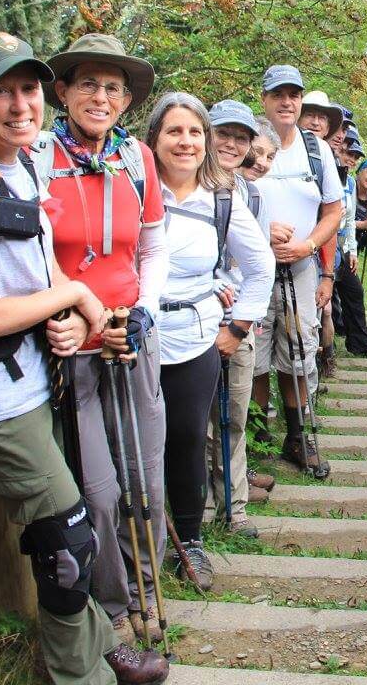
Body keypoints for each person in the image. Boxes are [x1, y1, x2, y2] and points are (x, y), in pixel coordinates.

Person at [0, 32, 167, 684]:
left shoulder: (22, 166)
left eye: (26, 88)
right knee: (66, 541)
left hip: (34, 378)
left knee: (65, 533)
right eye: (2, 91)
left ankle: (94, 651)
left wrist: (59, 312)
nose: (20, 104)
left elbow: (33, 269)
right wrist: (79, 295)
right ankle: (76, 673)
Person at [32, 32, 168, 646]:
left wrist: (138, 309)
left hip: (131, 334)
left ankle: (148, 583)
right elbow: (29, 252)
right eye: (87, 83)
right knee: (98, 489)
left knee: (146, 472)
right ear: (62, 92)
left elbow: (153, 244)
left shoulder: (135, 159)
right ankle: (112, 603)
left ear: (126, 100)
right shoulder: (37, 159)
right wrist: (79, 314)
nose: (100, 96)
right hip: (70, 346)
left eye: (113, 87)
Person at [146, 94, 274, 575]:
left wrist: (238, 326)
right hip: (133, 336)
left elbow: (260, 264)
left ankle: (189, 543)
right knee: (139, 442)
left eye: (194, 132)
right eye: (174, 132)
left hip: (196, 336)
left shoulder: (221, 196)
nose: (186, 142)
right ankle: (141, 539)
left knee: (184, 437)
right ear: (154, 138)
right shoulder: (133, 187)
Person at [252, 64, 345, 476]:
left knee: (298, 353)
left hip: (301, 267)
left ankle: (295, 436)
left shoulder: (316, 149)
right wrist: (259, 237)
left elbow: (334, 210)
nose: (287, 102)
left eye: (294, 94)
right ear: (265, 101)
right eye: (278, 94)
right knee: (250, 358)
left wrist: (308, 246)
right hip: (250, 269)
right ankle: (254, 438)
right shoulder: (250, 143)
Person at [204, 99, 279, 524]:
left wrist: (242, 315)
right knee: (195, 420)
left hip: (238, 318)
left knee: (232, 414)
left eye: (240, 137)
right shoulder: (184, 184)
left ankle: (234, 508)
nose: (231, 144)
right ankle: (201, 506)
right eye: (223, 134)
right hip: (194, 318)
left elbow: (257, 258)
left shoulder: (251, 192)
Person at [240, 117, 280, 447]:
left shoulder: (253, 194)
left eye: (270, 157)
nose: (261, 163)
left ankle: (239, 463)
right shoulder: (211, 186)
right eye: (258, 152)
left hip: (243, 302)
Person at [334, 142, 367, 358]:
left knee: (353, 291)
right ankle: (333, 345)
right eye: (349, 154)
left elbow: (346, 221)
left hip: (344, 248)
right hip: (328, 245)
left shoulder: (354, 186)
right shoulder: (341, 180)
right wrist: (362, 226)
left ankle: (359, 343)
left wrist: (353, 250)